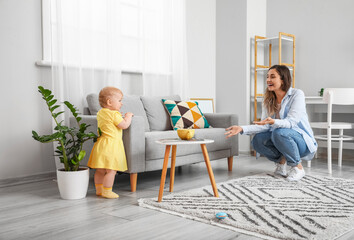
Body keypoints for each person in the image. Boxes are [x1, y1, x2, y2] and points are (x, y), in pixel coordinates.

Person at [225, 65, 317, 181]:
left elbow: (291, 122)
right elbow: (265, 126)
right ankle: (281, 163)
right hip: (281, 137)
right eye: (267, 77)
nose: (268, 80)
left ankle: (297, 167)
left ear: (283, 79)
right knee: (257, 140)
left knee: (279, 132)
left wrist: (274, 121)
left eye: (272, 77)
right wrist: (242, 128)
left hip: (301, 141)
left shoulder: (297, 94)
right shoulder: (269, 99)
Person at [87, 86, 134, 199]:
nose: (121, 103)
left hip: (101, 144)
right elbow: (124, 125)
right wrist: (128, 117)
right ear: (109, 102)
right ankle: (107, 191)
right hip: (111, 146)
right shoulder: (114, 114)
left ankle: (99, 190)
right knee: (111, 170)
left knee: (100, 170)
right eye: (119, 100)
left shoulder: (100, 113)